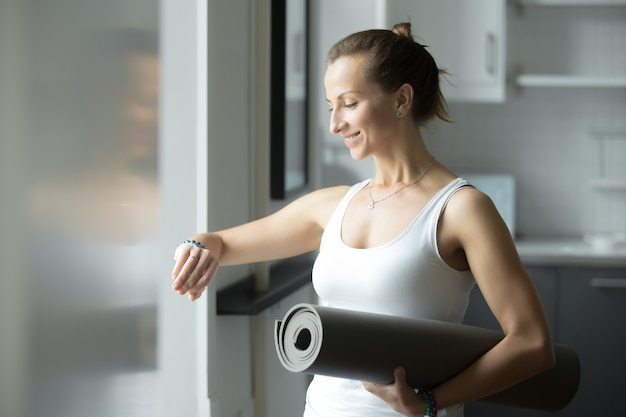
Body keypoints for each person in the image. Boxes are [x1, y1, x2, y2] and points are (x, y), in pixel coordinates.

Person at [171, 22, 555, 417]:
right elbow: (221, 244)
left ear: (401, 100)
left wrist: (430, 402)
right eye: (330, 106)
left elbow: (531, 343)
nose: (335, 123)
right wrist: (201, 244)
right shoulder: (334, 205)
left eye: (349, 103)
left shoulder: (460, 210)